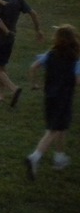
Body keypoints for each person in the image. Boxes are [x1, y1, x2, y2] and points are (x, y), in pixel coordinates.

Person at [25, 25, 80, 180]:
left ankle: (59, 157)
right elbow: (77, 81)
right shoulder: (75, 58)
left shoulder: (50, 54)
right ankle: (34, 157)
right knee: (53, 130)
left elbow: (33, 67)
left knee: (61, 127)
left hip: (50, 97)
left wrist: (34, 84)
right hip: (64, 99)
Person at [0, 0, 43, 106]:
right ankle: (1, 94)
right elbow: (33, 13)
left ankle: (13, 88)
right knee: (2, 66)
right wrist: (38, 30)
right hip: (10, 39)